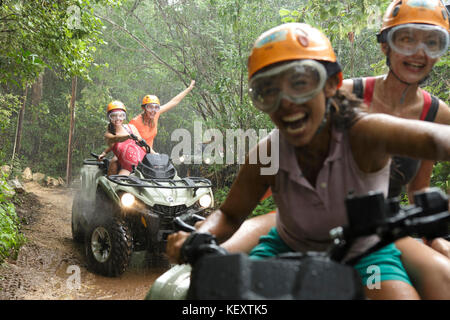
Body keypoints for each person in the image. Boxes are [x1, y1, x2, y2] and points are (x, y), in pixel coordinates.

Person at [167, 23, 450, 299]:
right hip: (284, 248)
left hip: (366, 255)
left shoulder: (363, 133)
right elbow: (230, 214)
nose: (286, 102)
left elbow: (434, 140)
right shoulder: (268, 152)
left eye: (300, 84)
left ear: (332, 85)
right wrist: (199, 236)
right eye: (268, 91)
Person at [107, 80, 196, 175]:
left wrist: (189, 88)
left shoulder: (155, 114)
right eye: (149, 107)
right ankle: (111, 186)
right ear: (144, 108)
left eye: (156, 107)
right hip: (136, 154)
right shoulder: (135, 122)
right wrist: (108, 151)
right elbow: (124, 141)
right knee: (114, 162)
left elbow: (174, 102)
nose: (153, 111)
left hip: (150, 155)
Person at [98, 100, 147, 176]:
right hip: (128, 167)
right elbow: (117, 139)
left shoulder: (131, 127)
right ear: (109, 117)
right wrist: (129, 136)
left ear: (124, 116)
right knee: (119, 184)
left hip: (144, 163)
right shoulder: (109, 134)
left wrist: (155, 154)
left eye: (121, 115)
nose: (118, 118)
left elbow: (143, 144)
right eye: (114, 116)